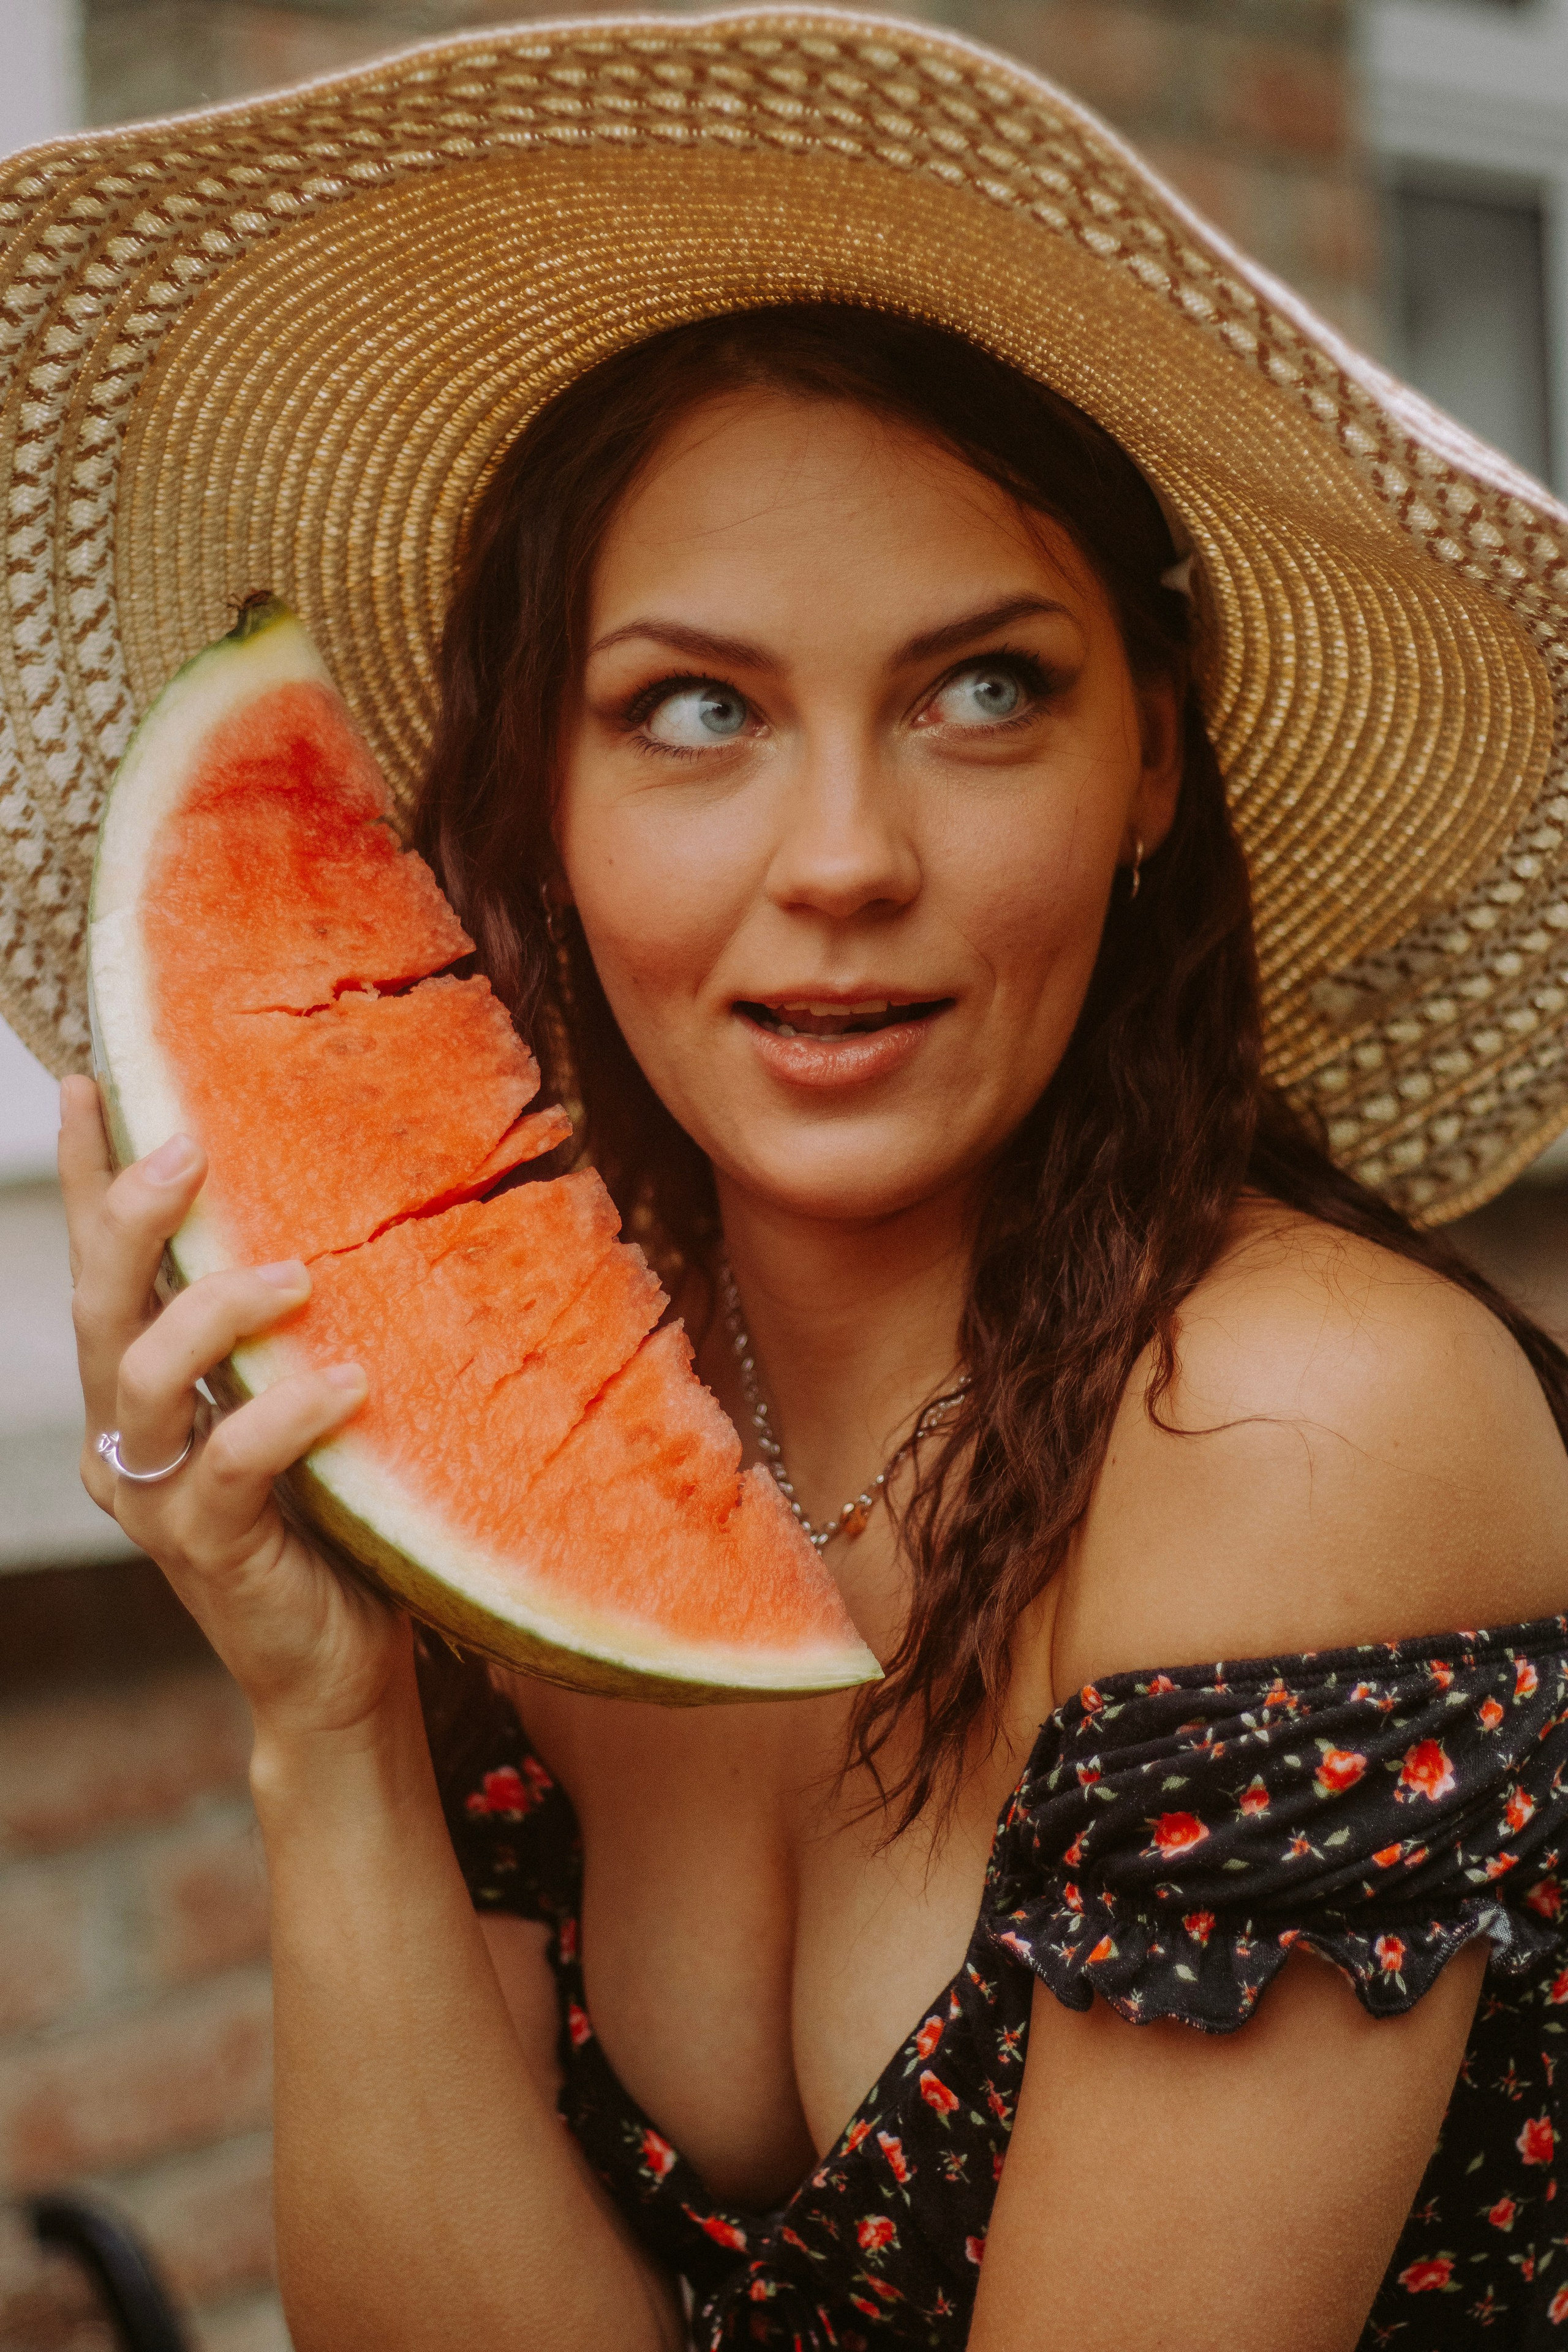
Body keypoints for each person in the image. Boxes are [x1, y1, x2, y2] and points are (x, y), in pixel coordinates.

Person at [9, 18, 1568, 2351]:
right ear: (536, 789)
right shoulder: (533, 1402)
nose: (842, 863)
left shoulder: (1300, 1435)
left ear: (1154, 755)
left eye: (983, 693)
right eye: (697, 712)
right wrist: (325, 1724)